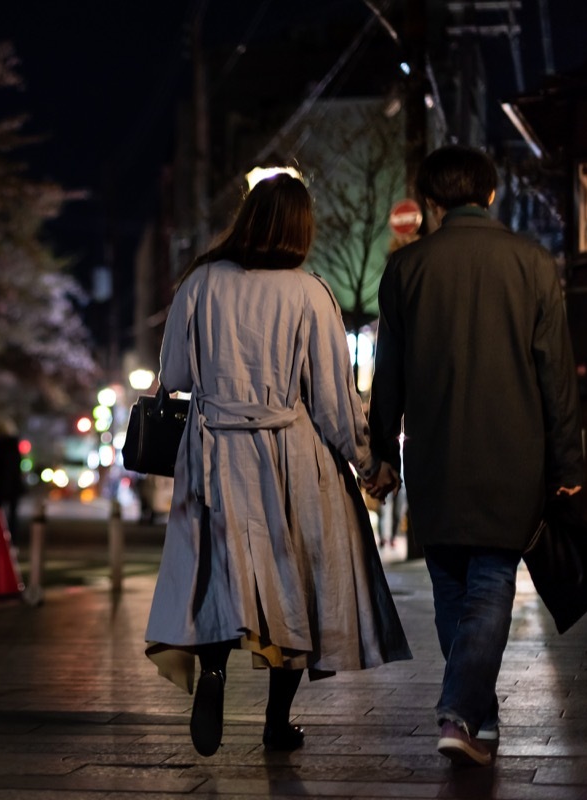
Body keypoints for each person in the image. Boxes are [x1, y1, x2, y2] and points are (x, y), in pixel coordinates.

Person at [144, 171, 412, 758]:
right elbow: (334, 403)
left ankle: (211, 674)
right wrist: (369, 464)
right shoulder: (310, 293)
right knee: (293, 582)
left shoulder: (201, 283)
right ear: (301, 230)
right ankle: (275, 721)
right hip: (290, 456)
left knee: (220, 574)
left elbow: (179, 377)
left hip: (215, 450)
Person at [367, 145, 583, 768]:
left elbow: (390, 375)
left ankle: (474, 719)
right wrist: (568, 463)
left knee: (450, 590)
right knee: (491, 587)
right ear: (490, 194)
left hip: (434, 456)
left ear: (432, 203)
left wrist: (384, 452)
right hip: (512, 457)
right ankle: (464, 714)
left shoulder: (406, 270)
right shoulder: (532, 262)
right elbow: (556, 375)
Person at [0, 418, 25, 546]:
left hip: (0, 484)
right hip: (14, 484)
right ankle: (12, 539)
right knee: (13, 515)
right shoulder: (14, 445)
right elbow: (17, 466)